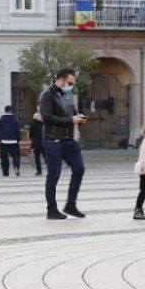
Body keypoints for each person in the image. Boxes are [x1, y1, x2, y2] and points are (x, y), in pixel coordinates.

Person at [39, 68, 88, 220]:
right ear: (61, 80)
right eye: (70, 83)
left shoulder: (67, 95)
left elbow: (72, 113)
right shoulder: (47, 95)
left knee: (79, 169)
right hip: (53, 139)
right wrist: (70, 120)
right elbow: (47, 117)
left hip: (68, 139)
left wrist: (79, 118)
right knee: (54, 175)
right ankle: (51, 210)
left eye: (72, 84)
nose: (71, 86)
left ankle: (70, 205)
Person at [0, 105, 21, 177]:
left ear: (5, 110)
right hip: (14, 141)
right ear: (11, 110)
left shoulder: (2, 118)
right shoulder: (14, 119)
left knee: (4, 157)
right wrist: (18, 139)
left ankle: (5, 172)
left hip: (4, 141)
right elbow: (17, 130)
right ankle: (16, 165)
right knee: (16, 155)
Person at [30, 111, 45, 176]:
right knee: (46, 156)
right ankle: (51, 169)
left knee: (37, 157)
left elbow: (31, 132)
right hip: (44, 141)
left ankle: (39, 171)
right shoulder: (44, 122)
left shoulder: (34, 122)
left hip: (36, 142)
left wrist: (32, 137)